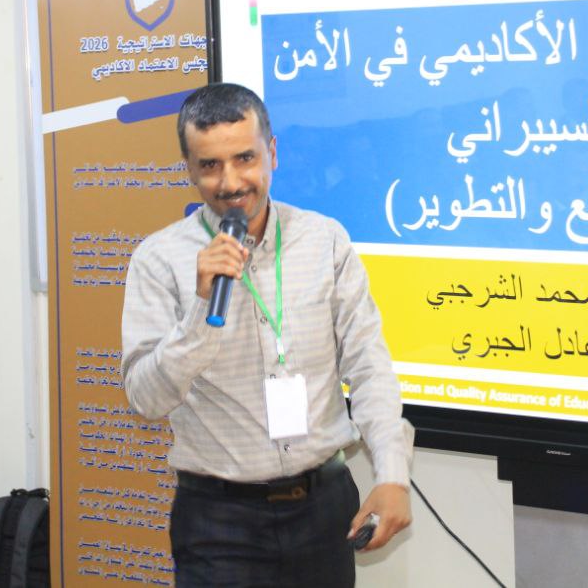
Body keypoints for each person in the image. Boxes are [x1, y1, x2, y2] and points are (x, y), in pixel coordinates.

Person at [121, 82, 413, 588]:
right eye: (210, 165)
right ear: (188, 169)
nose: (231, 182)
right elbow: (146, 399)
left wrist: (392, 475)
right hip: (219, 523)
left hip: (324, 510)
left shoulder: (324, 241)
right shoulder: (158, 259)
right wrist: (200, 309)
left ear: (271, 153)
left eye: (245, 158)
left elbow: (369, 367)